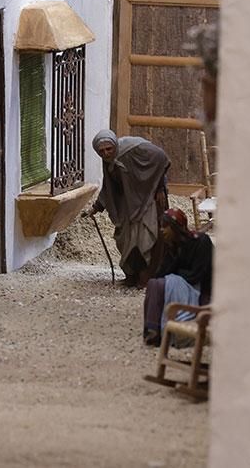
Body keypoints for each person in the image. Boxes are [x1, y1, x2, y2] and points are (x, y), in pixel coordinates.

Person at [88, 129, 171, 287]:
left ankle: (147, 277)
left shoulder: (133, 148)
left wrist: (160, 187)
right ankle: (132, 276)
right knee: (125, 239)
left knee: (147, 238)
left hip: (149, 200)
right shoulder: (109, 160)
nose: (106, 153)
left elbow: (161, 158)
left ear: (114, 145)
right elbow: (109, 187)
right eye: (102, 151)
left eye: (109, 149)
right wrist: (97, 207)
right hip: (129, 204)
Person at [143, 208, 214, 346]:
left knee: (159, 284)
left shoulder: (201, 242)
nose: (162, 231)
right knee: (154, 283)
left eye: (165, 227)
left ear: (175, 227)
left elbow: (197, 274)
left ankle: (157, 331)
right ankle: (153, 330)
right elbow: (161, 273)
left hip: (201, 291)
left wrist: (174, 275)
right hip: (184, 284)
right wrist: (174, 255)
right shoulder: (173, 247)